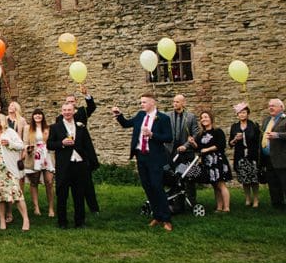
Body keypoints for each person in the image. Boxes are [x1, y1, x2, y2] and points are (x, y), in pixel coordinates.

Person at [114, 94, 174, 231]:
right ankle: (157, 216)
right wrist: (119, 115)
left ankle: (166, 219)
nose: (142, 104)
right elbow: (126, 124)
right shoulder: (141, 115)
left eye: (144, 102)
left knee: (157, 186)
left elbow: (169, 137)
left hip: (155, 158)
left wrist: (152, 135)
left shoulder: (163, 118)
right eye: (141, 102)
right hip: (141, 156)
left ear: (153, 102)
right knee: (147, 186)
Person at [47, 102, 97, 229]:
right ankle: (62, 222)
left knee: (79, 194)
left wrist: (90, 162)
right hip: (64, 165)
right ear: (61, 111)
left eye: (69, 110)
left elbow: (88, 145)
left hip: (79, 164)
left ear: (74, 111)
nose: (67, 112)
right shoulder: (55, 127)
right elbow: (50, 144)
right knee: (62, 194)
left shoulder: (80, 126)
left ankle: (80, 221)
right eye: (64, 110)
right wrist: (62, 143)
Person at [0, 114, 29, 231]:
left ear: (3, 121)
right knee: (0, 196)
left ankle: (26, 220)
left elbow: (21, 145)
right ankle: (2, 220)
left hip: (10, 170)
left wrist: (9, 143)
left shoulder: (10, 132)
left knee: (17, 195)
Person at [62, 86, 101, 214]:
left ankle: (93, 208)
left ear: (76, 102)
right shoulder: (61, 117)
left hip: (82, 151)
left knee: (87, 183)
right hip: (68, 154)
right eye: (67, 102)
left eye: (72, 102)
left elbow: (92, 107)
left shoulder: (82, 112)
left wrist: (87, 95)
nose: (70, 105)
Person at [261, 98, 286, 215]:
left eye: (273, 105)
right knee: (273, 184)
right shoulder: (267, 120)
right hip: (269, 158)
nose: (270, 108)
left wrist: (277, 135)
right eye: (269, 106)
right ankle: (277, 206)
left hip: (283, 158)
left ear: (281, 107)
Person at [188, 111, 231, 213]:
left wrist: (207, 150)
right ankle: (219, 207)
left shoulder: (217, 131)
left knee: (221, 184)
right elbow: (198, 149)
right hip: (207, 162)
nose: (204, 119)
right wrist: (193, 142)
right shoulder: (200, 134)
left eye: (206, 117)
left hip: (218, 161)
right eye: (202, 118)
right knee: (215, 185)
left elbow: (221, 145)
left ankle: (227, 207)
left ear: (211, 119)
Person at [229, 103, 262, 208]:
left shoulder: (253, 126)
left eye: (244, 113)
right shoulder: (234, 127)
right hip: (240, 156)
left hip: (252, 156)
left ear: (248, 114)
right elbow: (230, 143)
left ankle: (256, 199)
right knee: (244, 178)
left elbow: (258, 142)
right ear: (237, 115)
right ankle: (248, 198)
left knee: (254, 179)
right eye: (240, 113)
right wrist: (235, 139)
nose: (242, 115)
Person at [24, 108, 55, 218]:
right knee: (34, 182)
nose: (38, 116)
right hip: (34, 156)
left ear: (43, 116)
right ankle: (36, 207)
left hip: (46, 155)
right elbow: (25, 143)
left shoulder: (47, 128)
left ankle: (51, 208)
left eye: (40, 114)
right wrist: (28, 148)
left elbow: (51, 141)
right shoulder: (28, 128)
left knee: (49, 182)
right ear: (33, 116)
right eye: (35, 114)